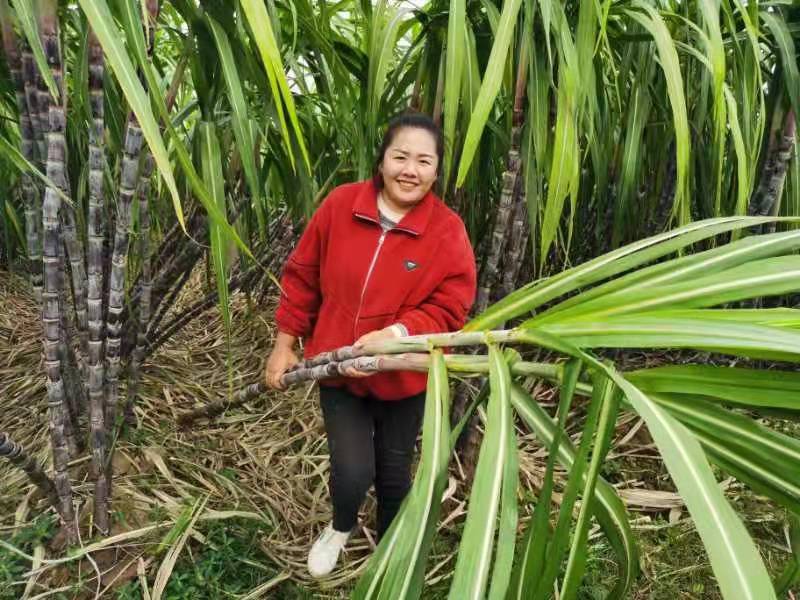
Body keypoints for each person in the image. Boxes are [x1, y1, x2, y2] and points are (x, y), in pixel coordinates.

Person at [264, 112, 477, 578]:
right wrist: (285, 343)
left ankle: (390, 550)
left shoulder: (446, 231)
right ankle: (340, 528)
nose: (410, 170)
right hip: (338, 369)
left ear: (437, 171)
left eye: (424, 161)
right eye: (400, 156)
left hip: (404, 377)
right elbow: (302, 276)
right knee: (353, 471)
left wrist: (397, 336)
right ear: (381, 160)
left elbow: (451, 306)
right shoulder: (341, 206)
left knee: (395, 471)